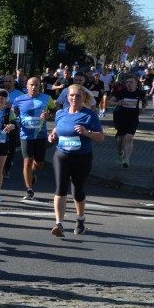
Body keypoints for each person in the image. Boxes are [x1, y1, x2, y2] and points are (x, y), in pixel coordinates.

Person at [48, 84, 104, 236]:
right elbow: (57, 128)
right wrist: (52, 135)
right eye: (71, 95)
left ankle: (80, 219)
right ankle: (59, 224)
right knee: (60, 188)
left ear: (83, 98)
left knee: (77, 191)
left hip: (82, 157)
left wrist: (87, 133)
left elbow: (101, 136)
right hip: (61, 155)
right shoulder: (60, 113)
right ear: (67, 97)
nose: (74, 98)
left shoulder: (90, 115)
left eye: (78, 96)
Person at [10, 77, 56, 201]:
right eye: (32, 85)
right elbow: (12, 113)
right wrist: (16, 122)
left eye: (36, 85)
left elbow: (55, 112)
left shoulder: (47, 98)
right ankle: (29, 189)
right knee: (28, 160)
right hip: (25, 135)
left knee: (39, 164)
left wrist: (49, 115)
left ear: (40, 86)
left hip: (40, 135)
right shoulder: (19, 99)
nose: (34, 87)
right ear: (27, 86)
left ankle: (31, 173)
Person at [109, 74, 145, 167]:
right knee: (121, 139)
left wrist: (143, 107)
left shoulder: (140, 93)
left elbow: (144, 100)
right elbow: (110, 102)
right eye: (127, 82)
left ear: (136, 83)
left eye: (131, 82)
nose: (129, 84)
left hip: (133, 119)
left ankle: (126, 160)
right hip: (122, 118)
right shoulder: (121, 92)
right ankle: (120, 154)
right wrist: (118, 103)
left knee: (129, 138)